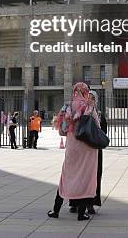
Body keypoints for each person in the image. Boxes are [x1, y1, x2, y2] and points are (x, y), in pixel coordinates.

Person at [48, 82, 100, 221]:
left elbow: (62, 130)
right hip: (88, 148)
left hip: (72, 148)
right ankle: (81, 213)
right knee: (85, 178)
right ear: (85, 92)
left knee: (66, 177)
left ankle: (56, 210)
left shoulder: (67, 106)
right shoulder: (89, 106)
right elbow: (97, 126)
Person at [70, 90, 107, 215]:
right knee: (78, 175)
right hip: (81, 149)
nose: (90, 99)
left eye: (93, 98)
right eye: (88, 97)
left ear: (96, 101)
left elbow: (103, 132)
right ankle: (74, 203)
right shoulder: (79, 112)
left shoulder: (100, 114)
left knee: (94, 177)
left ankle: (90, 204)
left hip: (94, 149)